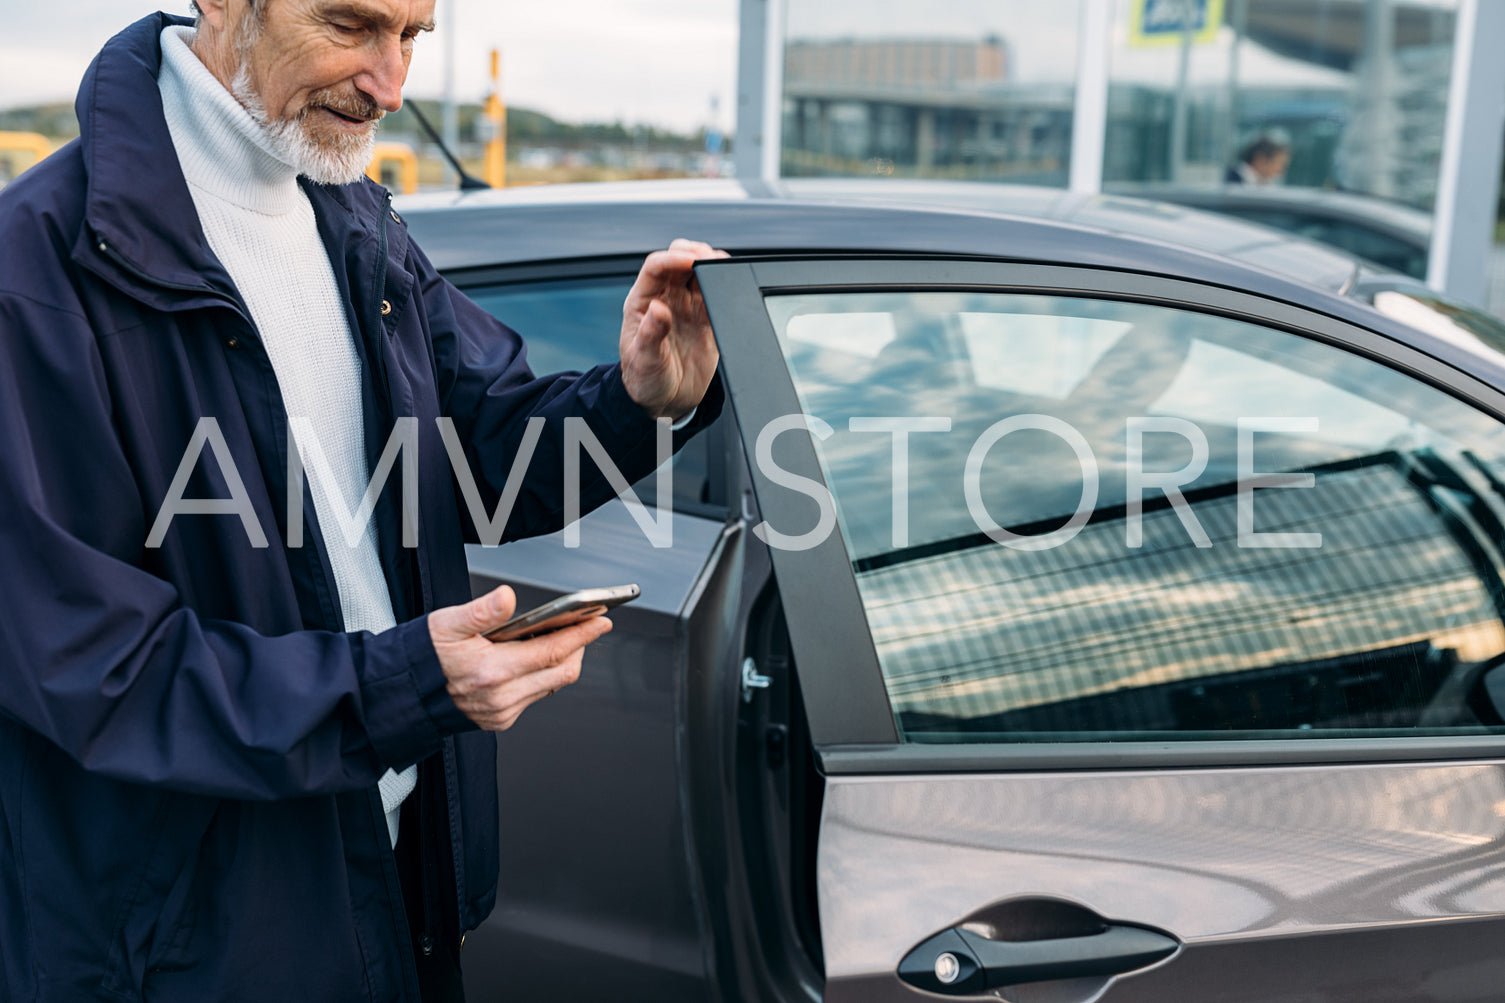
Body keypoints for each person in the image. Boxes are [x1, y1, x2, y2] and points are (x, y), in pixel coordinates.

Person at [0, 2, 725, 1001]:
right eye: (351, 25)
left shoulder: (354, 217)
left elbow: (475, 452)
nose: (389, 83)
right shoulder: (34, 271)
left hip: (390, 873)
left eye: (412, 37)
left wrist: (637, 402)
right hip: (188, 946)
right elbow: (95, 666)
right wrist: (400, 690)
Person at [1224, 129, 1291, 185]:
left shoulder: (1260, 184)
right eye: (1280, 164)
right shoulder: (1235, 186)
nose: (1281, 171)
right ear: (1260, 160)